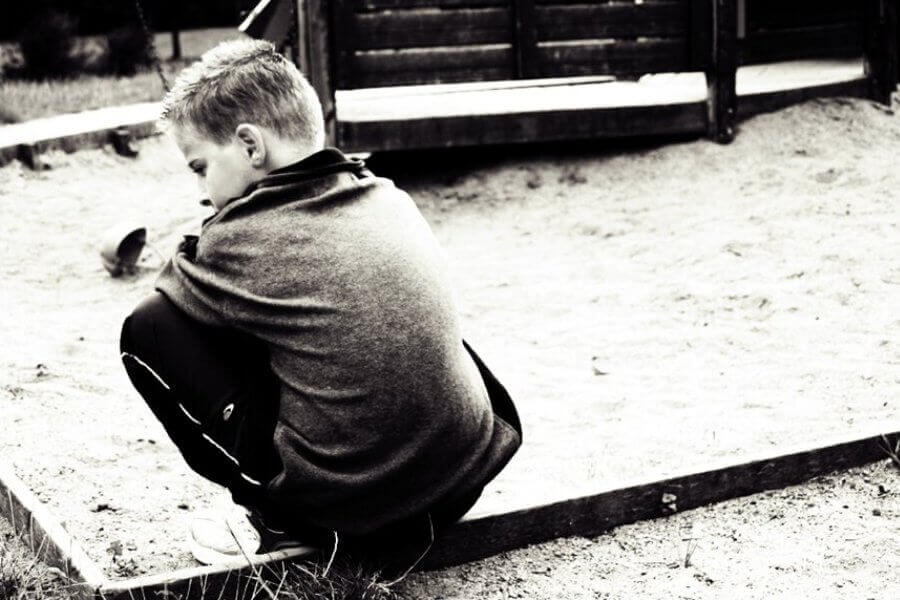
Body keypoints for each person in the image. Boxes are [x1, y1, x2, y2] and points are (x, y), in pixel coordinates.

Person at [118, 39, 522, 568]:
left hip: (361, 515)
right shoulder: (387, 196)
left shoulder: (238, 240)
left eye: (200, 167)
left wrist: (213, 231)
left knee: (148, 328)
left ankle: (279, 523)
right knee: (378, 303)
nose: (201, 191)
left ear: (249, 145)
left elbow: (176, 283)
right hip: (462, 479)